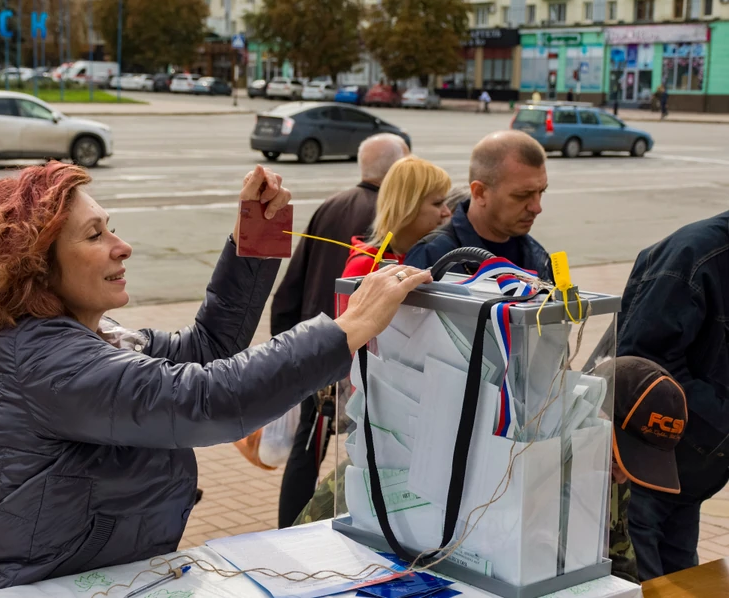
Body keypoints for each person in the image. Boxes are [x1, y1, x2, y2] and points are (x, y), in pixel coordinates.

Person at [0, 161, 432, 597]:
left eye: (111, 229)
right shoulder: (49, 363)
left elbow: (206, 350)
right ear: (36, 265)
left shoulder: (98, 338)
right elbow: (207, 399)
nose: (122, 246)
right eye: (95, 235)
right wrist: (346, 329)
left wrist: (254, 240)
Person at [294, 355, 688, 590]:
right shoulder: (504, 456)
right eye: (619, 459)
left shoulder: (601, 472)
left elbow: (620, 568)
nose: (621, 478)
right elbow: (305, 559)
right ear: (588, 417)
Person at [271, 133, 409, 529]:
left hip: (313, 344)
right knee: (353, 448)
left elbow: (292, 283)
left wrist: (286, 344)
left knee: (308, 448)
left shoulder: (332, 205)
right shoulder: (390, 218)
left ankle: (288, 529)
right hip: (351, 353)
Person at [612, 211, 729, 581]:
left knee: (682, 581)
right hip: (645, 465)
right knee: (642, 582)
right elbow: (643, 367)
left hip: (695, 473)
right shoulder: (693, 256)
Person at [404, 130, 552, 280]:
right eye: (522, 195)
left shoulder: (538, 257)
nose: (536, 208)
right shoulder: (433, 257)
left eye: (541, 191)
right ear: (479, 193)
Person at [591, 356, 689, 584]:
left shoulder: (612, 477)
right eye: (616, 459)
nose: (622, 478)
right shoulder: (539, 469)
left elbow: (621, 561)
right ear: (595, 419)